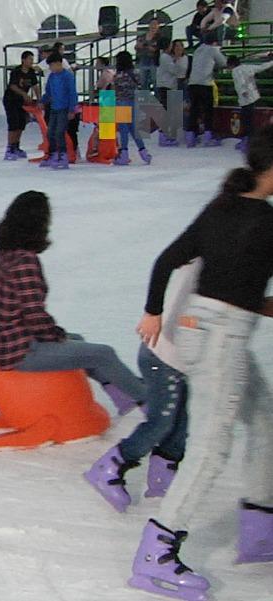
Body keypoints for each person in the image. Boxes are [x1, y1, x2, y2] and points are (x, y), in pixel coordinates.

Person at [128, 124, 273, 598]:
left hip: (201, 329)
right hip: (221, 339)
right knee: (211, 446)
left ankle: (259, 526)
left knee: (264, 416)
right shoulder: (264, 221)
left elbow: (167, 259)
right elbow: (241, 293)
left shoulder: (225, 206)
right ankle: (157, 551)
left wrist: (153, 311)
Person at [0, 191, 146, 415]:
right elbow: (35, 316)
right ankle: (147, 400)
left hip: (4, 342)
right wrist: (56, 335)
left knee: (78, 341)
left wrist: (59, 336)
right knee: (103, 353)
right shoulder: (24, 261)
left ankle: (120, 395)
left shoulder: (5, 252)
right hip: (19, 351)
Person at [85, 261, 199, 514]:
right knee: (161, 422)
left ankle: (161, 482)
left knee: (180, 426)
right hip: (162, 356)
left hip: (182, 359)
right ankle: (110, 467)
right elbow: (184, 312)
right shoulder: (205, 265)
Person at [184, 32, 227, 147]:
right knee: (208, 110)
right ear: (215, 42)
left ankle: (191, 137)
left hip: (193, 83)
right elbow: (223, 62)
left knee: (194, 110)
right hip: (205, 83)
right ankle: (208, 137)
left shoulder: (198, 49)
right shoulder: (213, 50)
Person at [112, 51, 153, 166]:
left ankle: (124, 153)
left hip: (121, 102)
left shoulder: (118, 75)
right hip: (132, 101)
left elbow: (115, 87)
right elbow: (139, 84)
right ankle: (143, 151)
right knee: (133, 128)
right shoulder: (135, 73)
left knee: (123, 129)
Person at [228, 54, 273, 153]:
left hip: (245, 99)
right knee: (250, 120)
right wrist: (271, 62)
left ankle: (248, 142)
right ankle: (249, 140)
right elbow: (261, 67)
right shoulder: (247, 67)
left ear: (231, 65)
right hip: (254, 96)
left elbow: (240, 83)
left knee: (247, 121)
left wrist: (243, 92)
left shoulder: (235, 72)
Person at [40, 54, 77, 169]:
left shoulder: (68, 76)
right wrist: (43, 101)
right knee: (50, 132)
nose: (50, 68)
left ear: (58, 64)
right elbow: (49, 92)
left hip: (64, 108)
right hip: (54, 108)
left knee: (60, 132)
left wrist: (72, 109)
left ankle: (63, 156)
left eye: (51, 66)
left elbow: (72, 93)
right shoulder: (52, 76)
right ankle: (53, 154)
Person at [3, 51, 40, 160]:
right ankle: (9, 148)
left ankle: (16, 146)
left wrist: (39, 99)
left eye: (32, 59)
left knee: (21, 123)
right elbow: (12, 86)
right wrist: (24, 93)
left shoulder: (31, 72)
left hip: (22, 102)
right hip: (11, 100)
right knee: (13, 123)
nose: (31, 61)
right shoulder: (16, 71)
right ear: (23, 60)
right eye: (29, 59)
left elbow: (35, 86)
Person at [155, 40, 188, 146]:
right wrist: (177, 61)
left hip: (168, 85)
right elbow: (174, 70)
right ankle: (163, 136)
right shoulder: (165, 57)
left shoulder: (166, 57)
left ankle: (166, 135)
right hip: (166, 86)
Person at [135, 18, 168, 90]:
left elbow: (162, 49)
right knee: (143, 82)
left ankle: (156, 99)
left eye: (156, 24)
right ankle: (145, 99)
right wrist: (139, 46)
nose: (154, 26)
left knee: (155, 81)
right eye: (152, 24)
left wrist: (151, 48)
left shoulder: (160, 37)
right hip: (143, 59)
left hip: (154, 60)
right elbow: (137, 46)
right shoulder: (142, 36)